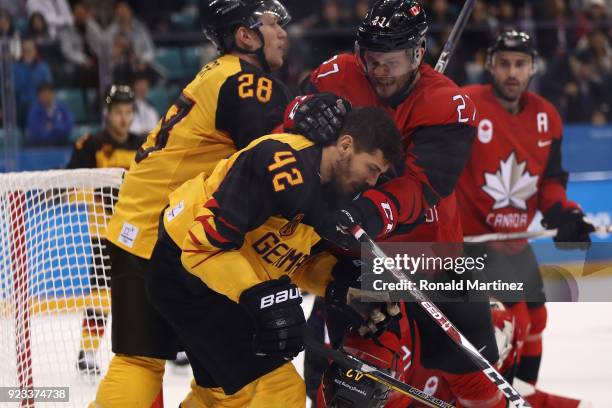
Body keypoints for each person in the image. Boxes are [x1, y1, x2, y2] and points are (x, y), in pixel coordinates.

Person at [95, 1, 346, 406]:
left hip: (138, 224)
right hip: (174, 237)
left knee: (184, 372)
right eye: (272, 24)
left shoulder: (218, 74)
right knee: (204, 375)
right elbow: (271, 163)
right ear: (246, 36)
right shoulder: (251, 82)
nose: (283, 32)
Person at [300, 1, 506, 406]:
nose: (377, 71)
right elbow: (290, 132)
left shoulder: (446, 103)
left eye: (389, 62)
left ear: (417, 54)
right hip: (358, 258)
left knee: (476, 380)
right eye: (371, 59)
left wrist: (370, 208)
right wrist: (299, 113)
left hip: (431, 253)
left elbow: (424, 186)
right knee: (345, 386)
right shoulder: (337, 76)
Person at [147, 106, 404, 407]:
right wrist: (263, 297)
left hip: (218, 277)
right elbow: (202, 247)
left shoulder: (337, 193)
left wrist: (342, 292)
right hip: (185, 271)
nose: (372, 182)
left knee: (219, 395)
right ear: (346, 145)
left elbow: (294, 259)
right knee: (278, 391)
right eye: (371, 168)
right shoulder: (279, 161)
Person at [457, 30, 594, 407]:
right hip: (472, 243)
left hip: (516, 244)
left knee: (536, 318)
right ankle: (496, 398)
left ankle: (523, 396)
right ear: (490, 66)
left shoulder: (547, 116)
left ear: (533, 67)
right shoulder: (466, 104)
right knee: (509, 322)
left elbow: (550, 180)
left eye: (520, 64)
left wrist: (563, 211)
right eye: (504, 64)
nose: (512, 73)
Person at [66, 85, 142, 377]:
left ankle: (166, 346)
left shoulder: (143, 144)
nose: (124, 118)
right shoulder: (90, 145)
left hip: (138, 232)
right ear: (107, 114)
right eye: (118, 112)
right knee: (100, 294)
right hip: (103, 234)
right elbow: (72, 182)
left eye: (128, 112)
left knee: (153, 290)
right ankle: (87, 352)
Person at [26, 82, 73, 146]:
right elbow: (35, 131)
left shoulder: (63, 108)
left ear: (53, 93)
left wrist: (53, 126)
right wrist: (56, 131)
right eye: (43, 94)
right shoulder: (34, 110)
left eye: (48, 93)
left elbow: (68, 127)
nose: (46, 96)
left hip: (61, 142)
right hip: (41, 145)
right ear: (38, 96)